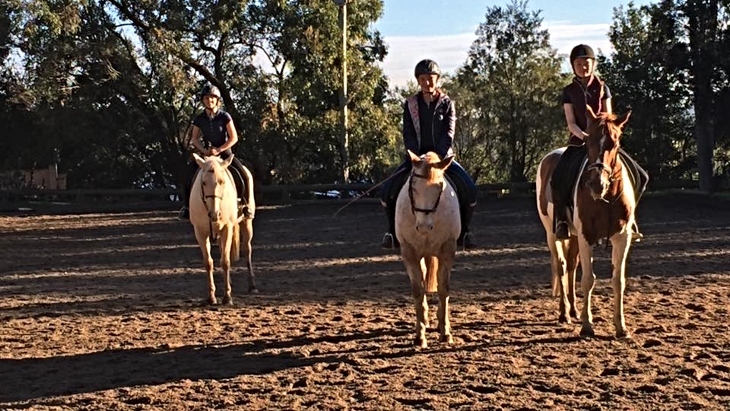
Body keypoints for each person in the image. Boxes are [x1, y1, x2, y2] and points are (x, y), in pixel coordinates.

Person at [551, 44, 648, 240]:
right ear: (573, 66)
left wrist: (601, 138)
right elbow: (571, 123)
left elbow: (609, 117)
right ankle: (561, 220)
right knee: (558, 177)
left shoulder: (603, 88)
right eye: (578, 64)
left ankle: (631, 219)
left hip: (603, 143)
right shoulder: (569, 91)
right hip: (579, 142)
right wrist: (585, 137)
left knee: (642, 176)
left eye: (586, 63)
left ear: (593, 64)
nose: (582, 67)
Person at [380, 59, 478, 250]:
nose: (427, 82)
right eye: (423, 79)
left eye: (431, 78)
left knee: (470, 190)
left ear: (437, 80)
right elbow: (407, 132)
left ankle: (465, 231)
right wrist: (415, 157)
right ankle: (391, 232)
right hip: (416, 159)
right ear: (418, 81)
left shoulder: (447, 104)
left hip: (442, 160)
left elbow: (449, 133)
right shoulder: (410, 105)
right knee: (387, 192)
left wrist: (438, 158)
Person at [179, 83, 253, 220]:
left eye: (212, 98)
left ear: (217, 100)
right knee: (187, 176)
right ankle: (187, 208)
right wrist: (204, 151)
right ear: (203, 101)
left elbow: (234, 138)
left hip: (224, 153)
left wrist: (219, 149)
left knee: (245, 175)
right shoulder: (199, 119)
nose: (209, 101)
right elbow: (194, 139)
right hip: (207, 154)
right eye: (206, 98)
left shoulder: (225, 117)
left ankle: (246, 205)